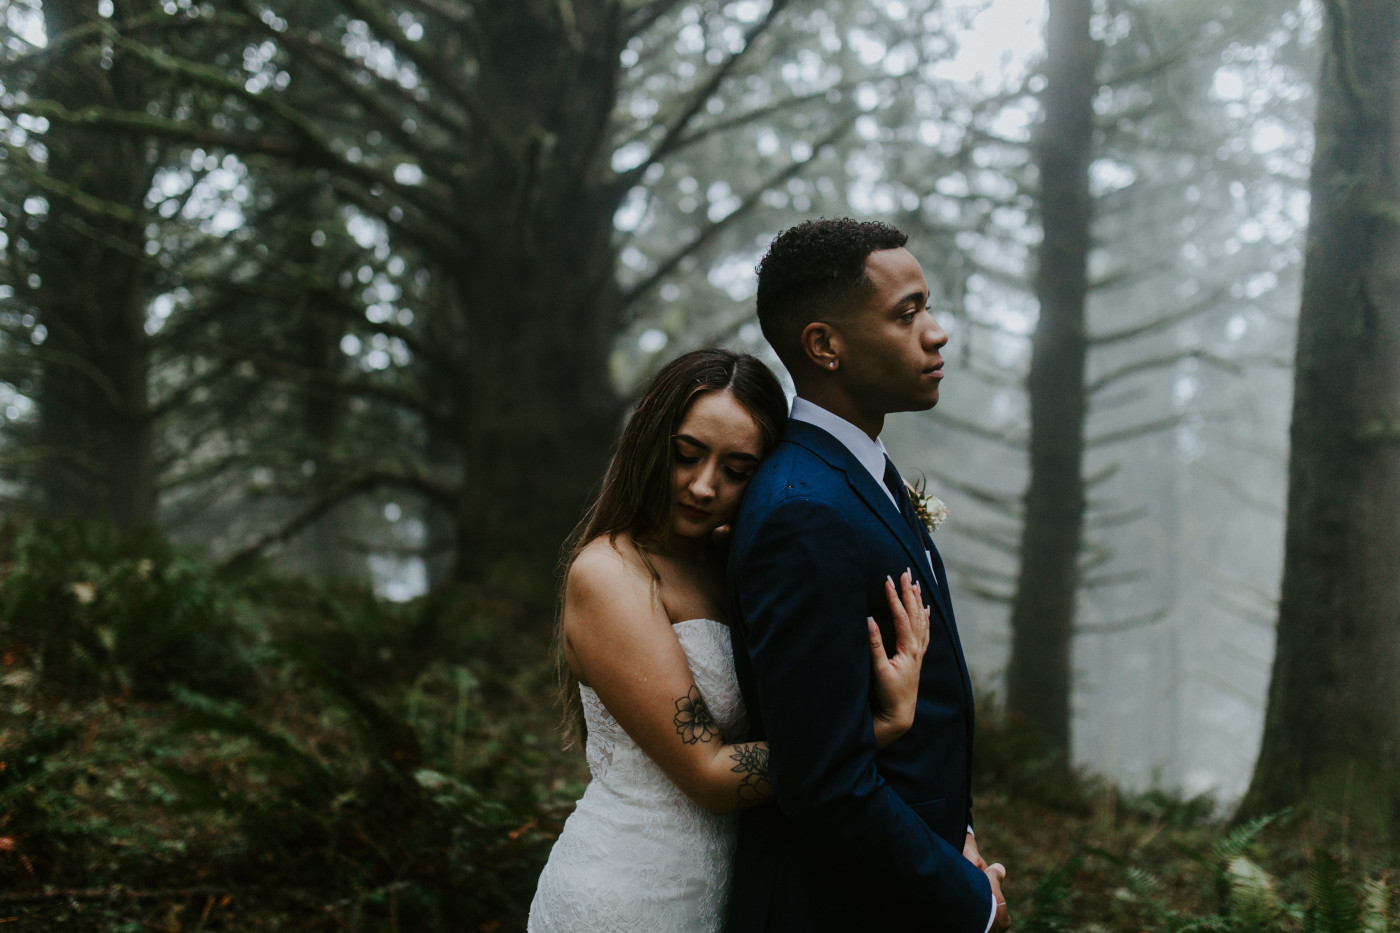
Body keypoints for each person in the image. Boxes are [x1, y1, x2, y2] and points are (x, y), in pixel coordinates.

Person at [527, 347, 933, 933]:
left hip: (727, 894)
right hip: (621, 898)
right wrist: (876, 726)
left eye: (738, 470)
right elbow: (712, 776)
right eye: (685, 455)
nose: (703, 486)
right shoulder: (610, 574)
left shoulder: (733, 564)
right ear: (648, 442)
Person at [726, 218, 1012, 933]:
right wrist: (968, 901)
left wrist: (960, 837)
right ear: (824, 345)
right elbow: (825, 780)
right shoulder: (804, 511)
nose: (937, 333)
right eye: (907, 313)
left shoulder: (861, 475)